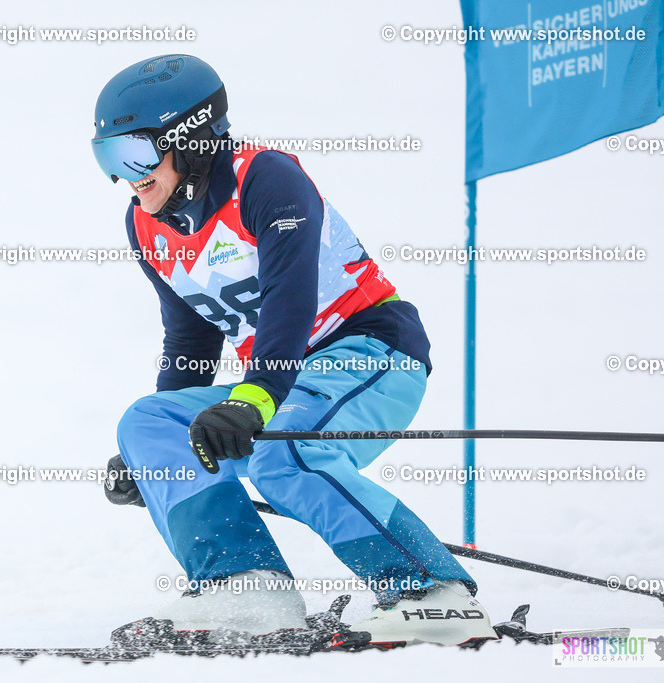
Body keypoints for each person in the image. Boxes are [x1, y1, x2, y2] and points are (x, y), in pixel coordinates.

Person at [92, 54, 495, 647]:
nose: (127, 176)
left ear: (188, 138)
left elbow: (290, 297)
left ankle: (431, 592)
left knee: (287, 452)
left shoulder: (266, 178)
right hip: (287, 380)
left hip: (370, 351)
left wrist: (255, 400)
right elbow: (191, 337)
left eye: (136, 155)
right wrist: (155, 464)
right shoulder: (146, 224)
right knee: (149, 423)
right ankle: (243, 586)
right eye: (109, 159)